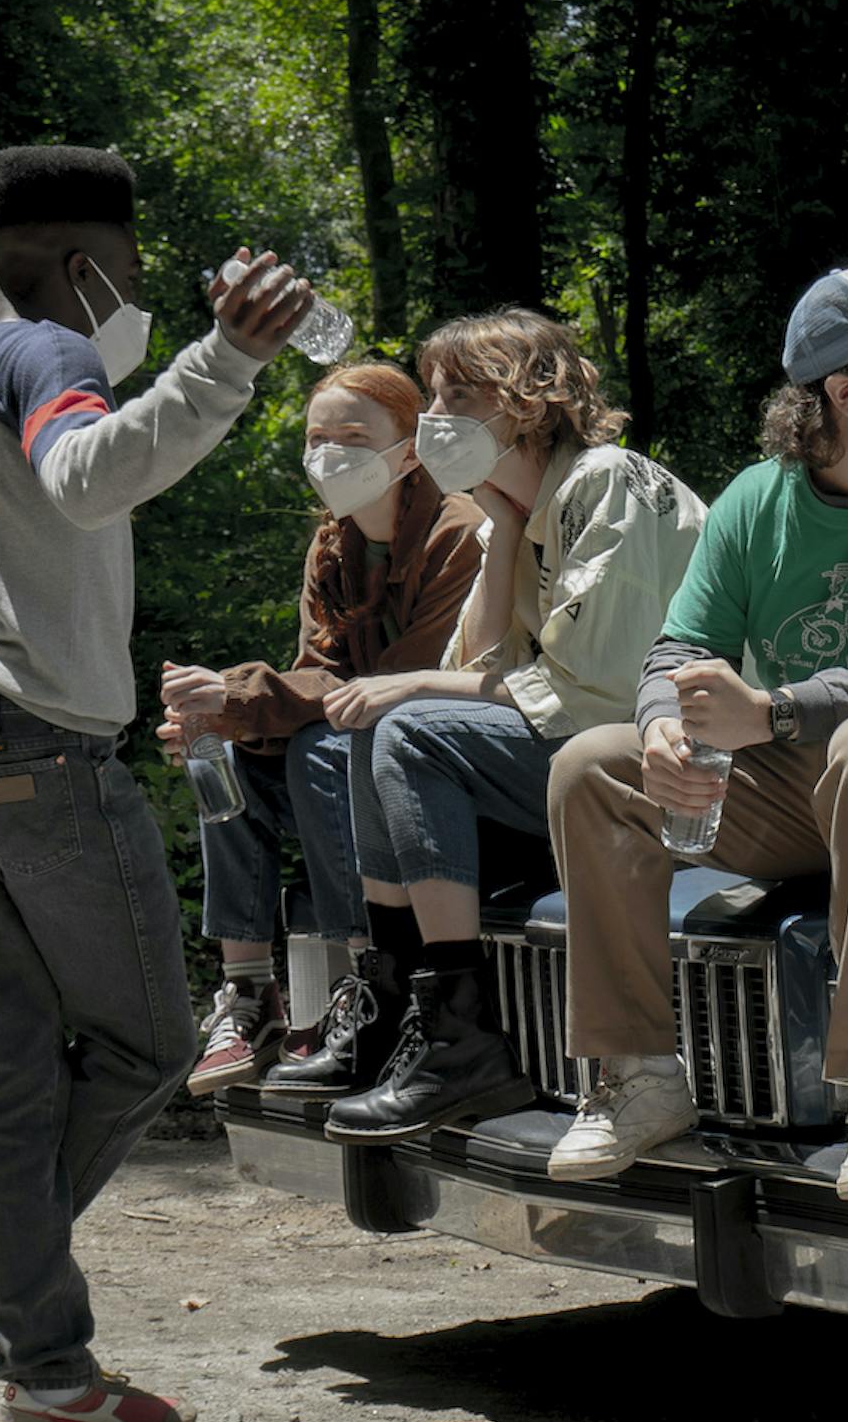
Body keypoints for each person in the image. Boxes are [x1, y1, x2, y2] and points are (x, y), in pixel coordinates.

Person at [0, 145, 309, 1422]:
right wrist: (223, 362)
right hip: (28, 745)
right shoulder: (48, 354)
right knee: (149, 1040)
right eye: (134, 269)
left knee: (0, 1082)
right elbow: (87, 477)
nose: (139, 291)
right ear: (85, 264)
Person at [543, 256, 848, 1200]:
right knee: (589, 766)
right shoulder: (752, 502)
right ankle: (637, 1077)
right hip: (814, 783)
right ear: (845, 391)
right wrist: (661, 731)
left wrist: (768, 713)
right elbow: (675, 650)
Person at [277, 310, 706, 1142]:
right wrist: (502, 528)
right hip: (580, 750)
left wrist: (410, 687)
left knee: (406, 726)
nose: (436, 415)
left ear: (528, 403)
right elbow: (478, 660)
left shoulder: (606, 481)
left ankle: (460, 1033)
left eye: (461, 394)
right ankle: (403, 1006)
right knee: (374, 730)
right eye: (433, 392)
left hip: (673, 766)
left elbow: (594, 688)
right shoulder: (523, 509)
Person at [157, 360, 485, 1096]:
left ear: (409, 450)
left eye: (353, 435)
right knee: (230, 755)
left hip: (433, 758)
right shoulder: (331, 547)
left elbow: (397, 681)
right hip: (353, 742)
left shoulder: (459, 532)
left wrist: (240, 695)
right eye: (318, 437)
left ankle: (366, 983)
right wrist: (224, 716)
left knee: (320, 747)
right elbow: (320, 672)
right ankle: (249, 997)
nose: (330, 452)